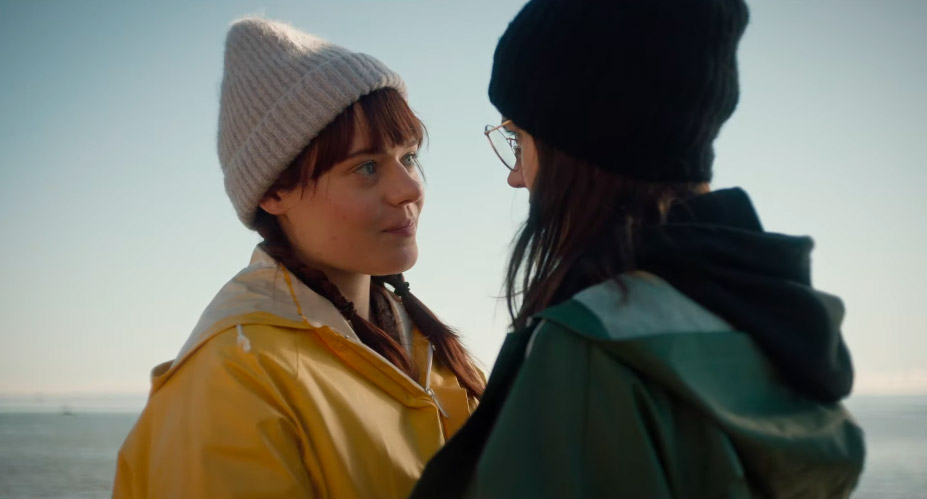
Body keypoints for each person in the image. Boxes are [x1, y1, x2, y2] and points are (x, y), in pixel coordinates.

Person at [411, 0, 865, 497]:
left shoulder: (591, 356)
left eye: (517, 140)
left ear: (582, 148)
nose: (515, 177)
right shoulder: (768, 326)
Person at [113, 17, 484, 498]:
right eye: (366, 167)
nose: (409, 189)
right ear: (274, 194)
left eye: (409, 157)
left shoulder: (428, 352)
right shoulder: (234, 380)